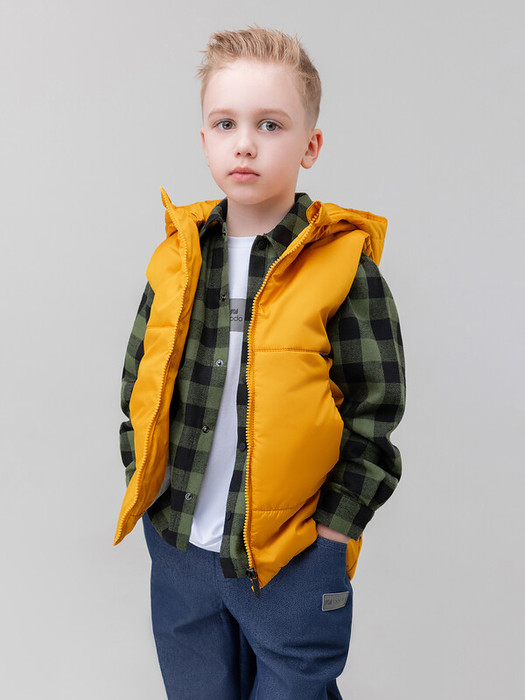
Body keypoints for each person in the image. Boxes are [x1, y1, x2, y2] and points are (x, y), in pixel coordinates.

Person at [114, 26, 405, 700]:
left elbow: (374, 412)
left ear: (310, 145)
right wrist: (146, 483)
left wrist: (332, 534)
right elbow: (138, 383)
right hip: (181, 545)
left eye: (269, 124)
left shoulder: (343, 267)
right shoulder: (177, 259)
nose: (244, 143)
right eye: (226, 124)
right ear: (205, 140)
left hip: (292, 556)